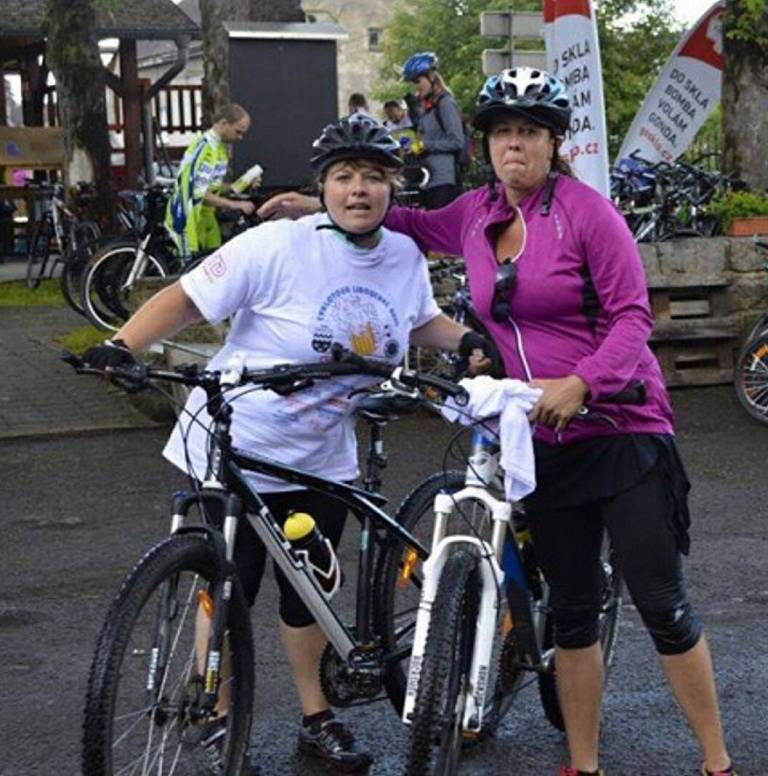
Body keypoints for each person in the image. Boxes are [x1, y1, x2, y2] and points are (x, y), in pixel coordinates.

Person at [256, 67, 738, 776]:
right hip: (539, 439)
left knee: (662, 603)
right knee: (571, 610)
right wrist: (314, 202)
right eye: (504, 132)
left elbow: (635, 316)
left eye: (531, 132)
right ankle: (582, 763)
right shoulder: (476, 214)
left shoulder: (587, 214)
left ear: (552, 143)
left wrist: (584, 381)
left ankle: (716, 760)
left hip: (620, 428)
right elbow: (405, 221)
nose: (517, 145)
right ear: (486, 144)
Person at [82, 112, 493, 775]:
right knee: (228, 587)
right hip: (236, 446)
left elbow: (419, 321)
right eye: (344, 177)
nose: (359, 190)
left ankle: (315, 717)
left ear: (391, 188)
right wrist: (123, 345)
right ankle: (216, 718)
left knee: (306, 597)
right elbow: (186, 299)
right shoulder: (276, 245)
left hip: (323, 458)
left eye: (373, 178)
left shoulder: (403, 256)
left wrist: (466, 341)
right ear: (323, 187)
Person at [165, 102, 257, 261]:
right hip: (187, 218)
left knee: (214, 264)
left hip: (206, 217)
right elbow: (198, 192)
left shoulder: (218, 147)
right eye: (238, 132)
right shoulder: (204, 148)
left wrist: (243, 183)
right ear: (223, 124)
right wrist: (235, 205)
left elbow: (213, 187)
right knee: (190, 271)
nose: (240, 138)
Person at [400, 51, 465, 209]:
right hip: (428, 180)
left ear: (431, 77)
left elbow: (457, 141)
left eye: (418, 81)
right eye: (413, 83)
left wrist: (425, 145)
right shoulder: (427, 107)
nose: (416, 87)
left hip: (444, 181)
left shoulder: (445, 103)